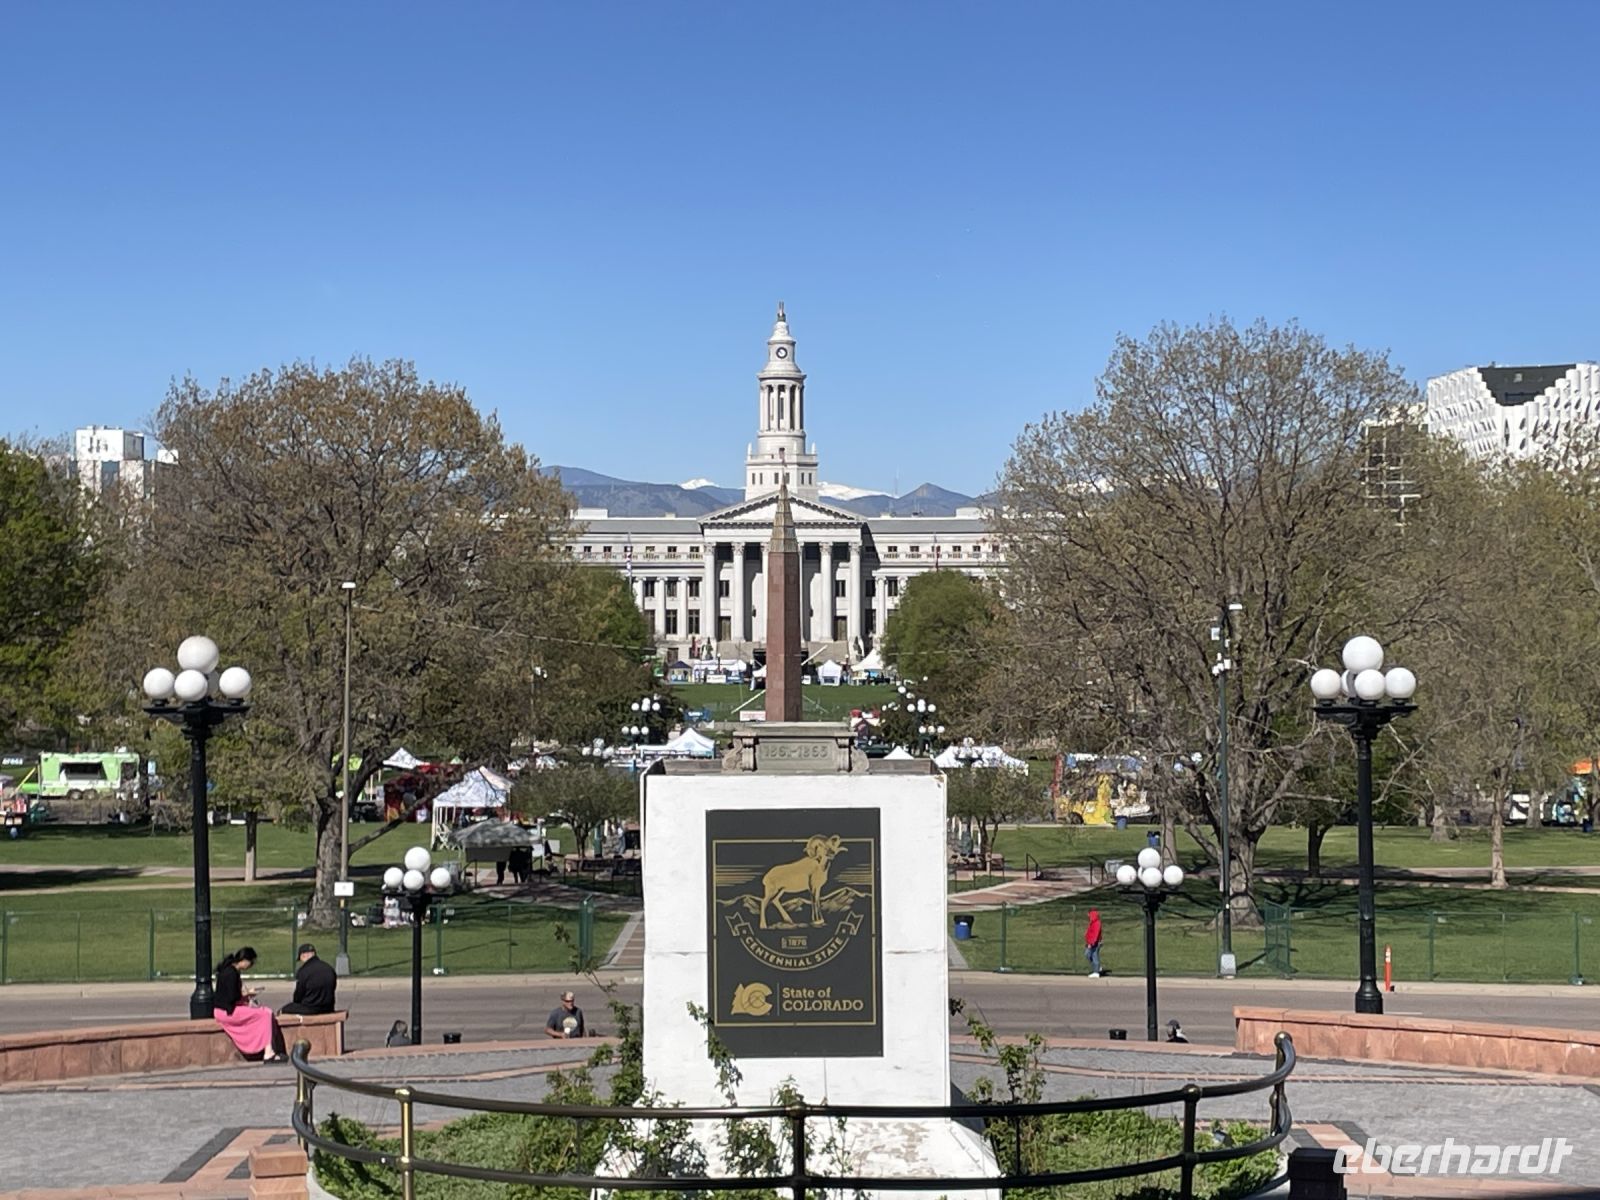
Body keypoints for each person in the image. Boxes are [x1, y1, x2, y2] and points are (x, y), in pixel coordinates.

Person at [213, 947, 286, 1061]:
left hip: (224, 1010)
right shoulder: (231, 973)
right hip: (227, 1012)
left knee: (265, 1012)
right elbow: (232, 997)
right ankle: (268, 1051)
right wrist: (247, 994)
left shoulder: (229, 970)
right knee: (265, 1014)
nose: (250, 966)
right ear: (245, 960)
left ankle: (269, 1049)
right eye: (251, 962)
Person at [280, 943, 338, 1016]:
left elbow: (298, 995)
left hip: (310, 1008)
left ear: (303, 955)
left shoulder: (303, 971)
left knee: (284, 1010)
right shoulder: (329, 968)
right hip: (328, 1008)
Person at [1084, 909, 1102, 978]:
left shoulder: (1096, 923)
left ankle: (1096, 971)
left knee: (1094, 956)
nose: (1088, 916)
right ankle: (1097, 968)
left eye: (1089, 915)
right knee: (1088, 955)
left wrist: (1091, 943)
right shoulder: (1093, 922)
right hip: (1091, 942)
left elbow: (1095, 934)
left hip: (1094, 943)